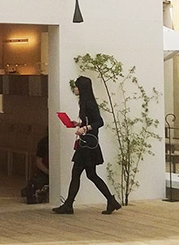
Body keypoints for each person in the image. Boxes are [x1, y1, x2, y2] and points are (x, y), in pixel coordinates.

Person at [52, 76, 122, 215]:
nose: (75, 89)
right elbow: (92, 121)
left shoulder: (89, 104)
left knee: (77, 173)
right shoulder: (86, 103)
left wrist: (84, 128)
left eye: (77, 86)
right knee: (91, 174)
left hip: (87, 145)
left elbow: (99, 122)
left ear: (82, 88)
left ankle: (69, 205)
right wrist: (79, 124)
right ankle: (110, 200)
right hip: (89, 143)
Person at [20, 135, 50, 204]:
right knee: (36, 182)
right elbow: (38, 162)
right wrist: (49, 172)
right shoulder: (44, 142)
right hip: (45, 172)